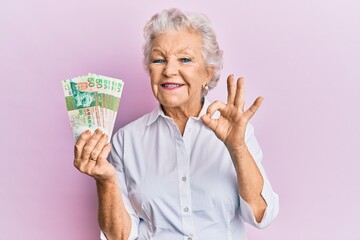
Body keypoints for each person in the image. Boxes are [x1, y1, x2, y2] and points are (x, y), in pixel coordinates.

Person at [73, 8, 279, 240]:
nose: (169, 70)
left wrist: (237, 148)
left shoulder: (237, 133)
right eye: (159, 59)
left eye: (185, 59)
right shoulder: (125, 140)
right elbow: (119, 236)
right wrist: (105, 180)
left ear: (208, 74)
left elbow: (261, 215)